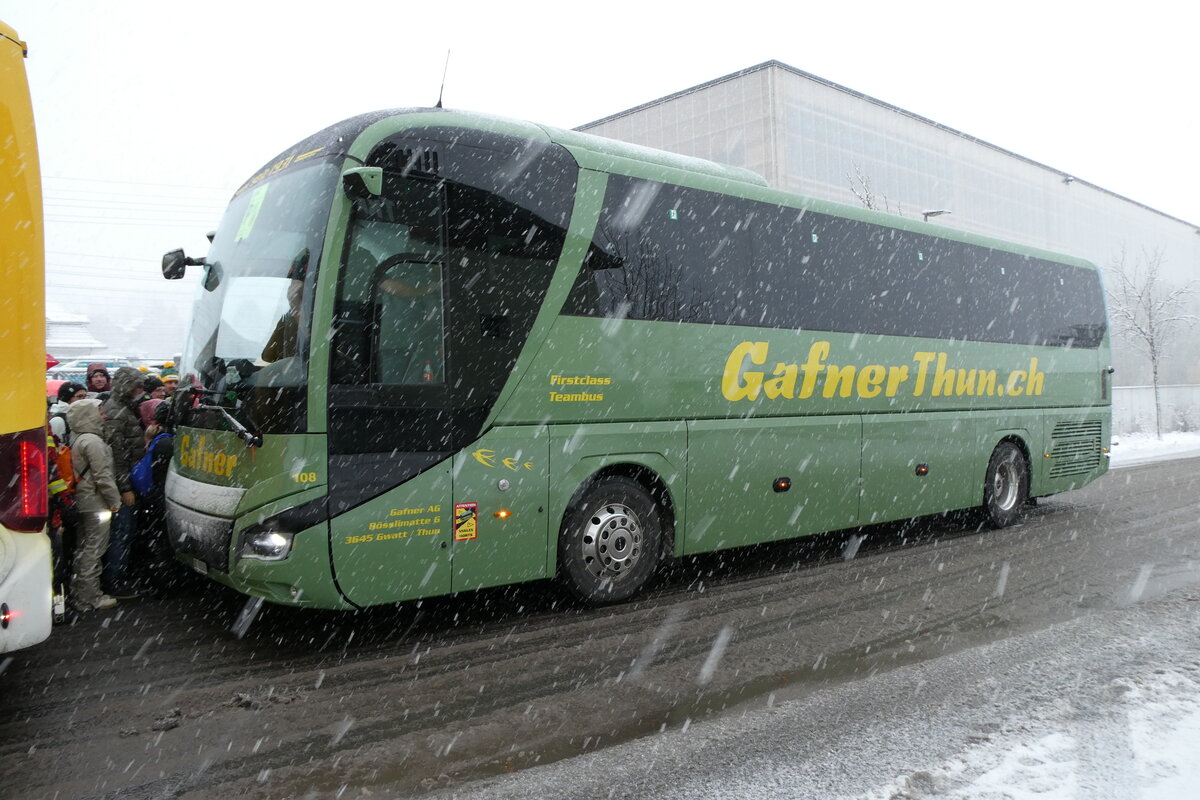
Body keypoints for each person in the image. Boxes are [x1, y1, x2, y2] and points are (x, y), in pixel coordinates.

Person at [64, 399, 121, 612]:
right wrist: (115, 501)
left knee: (83, 547)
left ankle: (78, 593)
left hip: (82, 499)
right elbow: (103, 476)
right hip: (96, 502)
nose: (103, 415)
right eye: (99, 411)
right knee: (94, 548)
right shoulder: (93, 441)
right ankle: (91, 597)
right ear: (89, 414)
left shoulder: (77, 438)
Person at [100, 366, 145, 598]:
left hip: (128, 480)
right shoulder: (117, 411)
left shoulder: (124, 408)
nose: (140, 390)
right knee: (121, 532)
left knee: (125, 532)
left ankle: (120, 576)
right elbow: (116, 455)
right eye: (136, 385)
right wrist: (125, 487)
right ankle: (115, 580)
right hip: (122, 486)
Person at [48, 380, 87, 445]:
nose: (84, 400)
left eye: (85, 396)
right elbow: (56, 448)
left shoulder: (81, 415)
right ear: (67, 398)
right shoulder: (58, 420)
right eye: (79, 396)